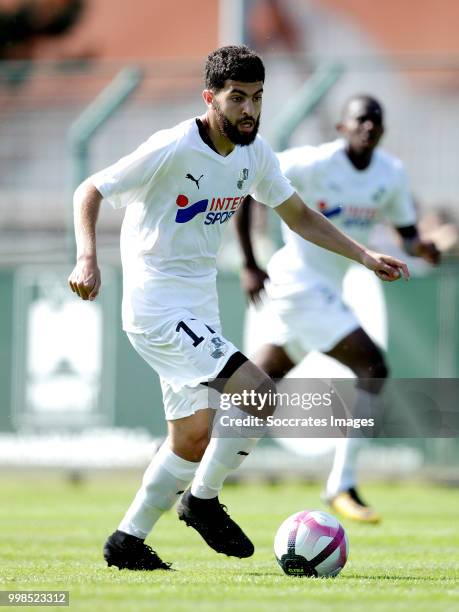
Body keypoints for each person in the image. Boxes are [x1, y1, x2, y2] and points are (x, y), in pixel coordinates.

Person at [68, 47, 409, 571]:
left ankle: (127, 539)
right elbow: (90, 189)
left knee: (191, 438)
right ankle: (201, 501)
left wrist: (363, 255)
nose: (249, 109)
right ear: (211, 99)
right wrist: (87, 259)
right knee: (258, 392)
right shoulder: (173, 146)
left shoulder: (256, 155)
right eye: (237, 98)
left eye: (257, 98)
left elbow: (299, 216)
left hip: (197, 303)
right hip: (156, 305)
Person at [235, 94, 439, 524]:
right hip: (297, 283)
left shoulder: (391, 174)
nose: (369, 127)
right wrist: (250, 262)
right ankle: (341, 484)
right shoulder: (314, 162)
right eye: (361, 120)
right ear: (342, 127)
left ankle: (185, 443)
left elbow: (406, 235)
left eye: (376, 122)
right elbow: (250, 184)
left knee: (256, 389)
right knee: (373, 368)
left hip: (324, 290)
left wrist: (425, 247)